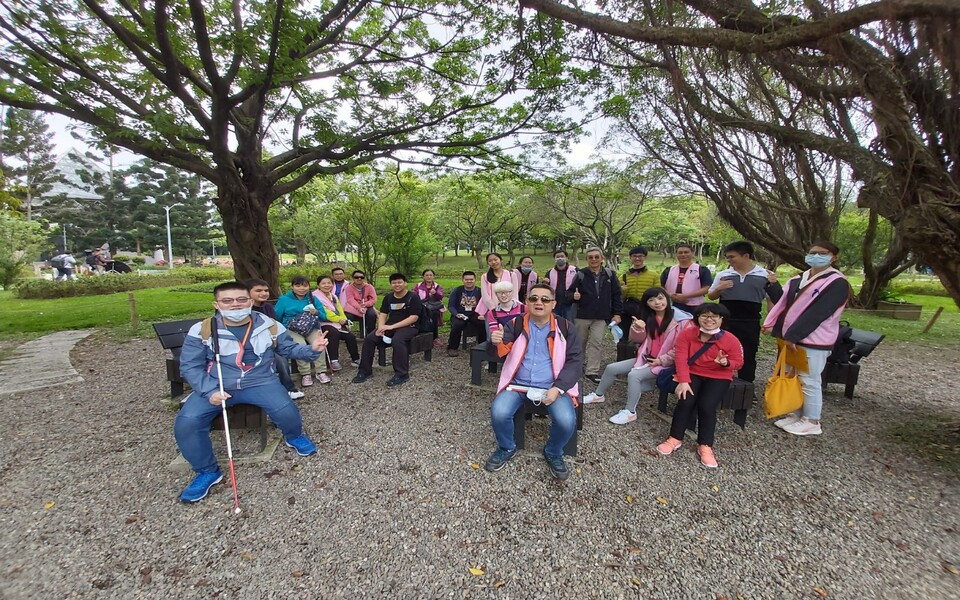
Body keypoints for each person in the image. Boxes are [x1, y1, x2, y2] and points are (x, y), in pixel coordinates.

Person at [175, 281, 328, 502]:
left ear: (250, 301)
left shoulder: (269, 324)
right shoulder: (203, 329)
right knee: (187, 422)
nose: (235, 305)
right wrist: (209, 391)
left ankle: (294, 436)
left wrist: (311, 350)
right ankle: (207, 471)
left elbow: (288, 348)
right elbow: (190, 365)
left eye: (241, 299)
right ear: (216, 304)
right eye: (227, 301)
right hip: (217, 384)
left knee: (286, 411)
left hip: (260, 381)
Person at [484, 283, 583, 480]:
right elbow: (498, 354)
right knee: (499, 412)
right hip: (517, 383)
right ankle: (506, 447)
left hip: (552, 385)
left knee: (566, 421)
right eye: (533, 298)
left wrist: (559, 387)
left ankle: (553, 452)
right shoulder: (516, 324)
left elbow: (576, 361)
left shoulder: (566, 328)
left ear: (554, 304)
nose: (539, 302)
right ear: (526, 302)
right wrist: (495, 342)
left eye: (545, 299)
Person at [762, 241, 850, 437]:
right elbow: (784, 302)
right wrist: (773, 284)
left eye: (822, 253)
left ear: (834, 257)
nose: (815, 256)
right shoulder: (800, 278)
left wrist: (794, 336)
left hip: (813, 340)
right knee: (794, 376)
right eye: (812, 253)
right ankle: (797, 413)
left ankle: (811, 420)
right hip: (792, 337)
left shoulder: (837, 282)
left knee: (809, 380)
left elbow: (818, 313)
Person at [583, 287, 692, 424]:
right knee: (611, 368)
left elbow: (681, 349)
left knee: (634, 376)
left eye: (660, 298)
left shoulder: (682, 322)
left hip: (667, 363)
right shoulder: (650, 317)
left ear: (667, 298)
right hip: (647, 358)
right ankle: (598, 395)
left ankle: (630, 411)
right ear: (647, 304)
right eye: (651, 300)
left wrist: (660, 360)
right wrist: (637, 328)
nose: (657, 303)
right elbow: (637, 340)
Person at [656, 303, 744, 469]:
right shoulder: (688, 334)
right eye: (704, 316)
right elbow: (681, 358)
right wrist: (683, 380)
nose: (709, 319)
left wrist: (726, 362)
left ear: (721, 319)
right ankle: (675, 438)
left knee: (706, 406)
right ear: (697, 318)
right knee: (685, 401)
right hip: (693, 372)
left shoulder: (730, 339)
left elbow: (739, 363)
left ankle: (705, 445)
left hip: (719, 375)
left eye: (713, 316)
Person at [707, 241, 782, 383]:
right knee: (720, 351)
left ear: (746, 256)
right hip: (725, 321)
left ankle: (746, 386)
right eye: (727, 257)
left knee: (748, 353)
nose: (729, 260)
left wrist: (769, 322)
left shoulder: (765, 275)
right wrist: (720, 288)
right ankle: (719, 383)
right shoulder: (724, 274)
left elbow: (772, 300)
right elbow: (711, 296)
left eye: (732, 257)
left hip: (750, 321)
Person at [352, 273, 422, 387]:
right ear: (391, 284)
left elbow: (414, 317)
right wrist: (380, 327)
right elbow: (383, 314)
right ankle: (365, 371)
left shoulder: (412, 297)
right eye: (394, 283)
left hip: (410, 327)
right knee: (370, 338)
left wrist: (391, 327)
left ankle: (401, 373)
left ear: (405, 283)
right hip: (390, 326)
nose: (397, 285)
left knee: (397, 340)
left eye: (399, 282)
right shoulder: (388, 297)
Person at [571, 246, 623, 383]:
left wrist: (617, 313)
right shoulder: (580, 274)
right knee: (579, 342)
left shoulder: (610, 275)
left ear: (601, 259)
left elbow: (616, 295)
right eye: (590, 257)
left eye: (596, 257)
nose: (594, 260)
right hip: (582, 315)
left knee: (597, 343)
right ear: (587, 259)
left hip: (601, 316)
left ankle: (592, 371)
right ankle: (576, 367)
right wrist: (573, 296)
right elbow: (569, 293)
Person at [245, 278, 303, 400]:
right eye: (258, 290)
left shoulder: (268, 307)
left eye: (266, 290)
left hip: (270, 341)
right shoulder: (242, 309)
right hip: (248, 345)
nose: (264, 293)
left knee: (281, 357)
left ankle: (289, 388)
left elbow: (273, 325)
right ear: (247, 292)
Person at [274, 275, 330, 386]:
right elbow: (277, 316)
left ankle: (321, 371)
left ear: (309, 287)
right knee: (300, 345)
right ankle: (306, 373)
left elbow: (324, 316)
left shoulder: (313, 298)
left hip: (310, 327)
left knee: (320, 343)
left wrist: (317, 313)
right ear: (292, 287)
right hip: (292, 328)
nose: (301, 288)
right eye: (298, 285)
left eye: (305, 286)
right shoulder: (284, 300)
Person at [313, 275, 361, 372]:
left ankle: (355, 359)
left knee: (350, 336)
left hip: (336, 323)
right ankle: (333, 360)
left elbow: (340, 310)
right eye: (323, 283)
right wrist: (339, 320)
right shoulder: (315, 296)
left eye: (329, 283)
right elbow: (325, 312)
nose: (327, 285)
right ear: (318, 285)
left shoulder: (333, 296)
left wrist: (345, 321)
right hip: (322, 323)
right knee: (334, 333)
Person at [660, 243, 713, 314]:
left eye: (686, 252)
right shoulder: (669, 270)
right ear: (676, 254)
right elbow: (661, 286)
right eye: (680, 253)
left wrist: (685, 296)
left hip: (695, 305)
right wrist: (671, 295)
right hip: (672, 303)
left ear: (692, 253)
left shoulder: (701, 269)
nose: (683, 254)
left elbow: (706, 288)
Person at [446, 271, 485, 357]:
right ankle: (452, 347)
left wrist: (482, 314)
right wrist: (456, 314)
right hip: (460, 313)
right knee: (457, 325)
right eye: (466, 279)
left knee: (482, 324)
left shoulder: (480, 291)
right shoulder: (457, 290)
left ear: (475, 280)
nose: (469, 281)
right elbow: (451, 306)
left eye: (471, 279)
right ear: (463, 280)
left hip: (475, 313)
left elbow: (484, 305)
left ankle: (483, 346)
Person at [620, 246, 660, 322]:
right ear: (630, 257)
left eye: (640, 256)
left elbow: (658, 294)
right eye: (634, 256)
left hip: (648, 310)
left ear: (645, 257)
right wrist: (621, 291)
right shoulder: (623, 276)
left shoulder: (654, 275)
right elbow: (619, 297)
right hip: (629, 311)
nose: (637, 258)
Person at [478, 252, 519, 318]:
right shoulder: (485, 277)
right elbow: (485, 295)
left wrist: (510, 307)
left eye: (495, 259)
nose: (493, 262)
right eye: (490, 261)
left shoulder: (511, 275)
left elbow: (514, 294)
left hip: (509, 310)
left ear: (501, 260)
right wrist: (494, 309)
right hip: (491, 310)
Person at [413, 269, 446, 348]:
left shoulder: (437, 286)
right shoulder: (418, 286)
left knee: (434, 315)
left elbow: (440, 296)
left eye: (431, 275)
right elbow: (414, 296)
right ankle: (422, 336)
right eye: (427, 275)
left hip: (433, 307)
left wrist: (435, 293)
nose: (429, 277)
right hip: (421, 306)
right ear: (423, 277)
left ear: (433, 276)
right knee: (420, 316)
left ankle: (434, 337)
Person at [341, 270, 378, 335]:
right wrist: (359, 307)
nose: (359, 278)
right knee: (347, 316)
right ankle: (347, 335)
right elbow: (350, 300)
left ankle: (371, 334)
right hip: (353, 307)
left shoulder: (369, 287)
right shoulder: (349, 288)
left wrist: (365, 304)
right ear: (353, 278)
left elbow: (373, 299)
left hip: (367, 306)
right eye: (356, 277)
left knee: (371, 315)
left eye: (361, 277)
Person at [547, 249, 578, 321]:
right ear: (554, 259)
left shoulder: (575, 270)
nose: (560, 258)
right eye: (557, 257)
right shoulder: (550, 272)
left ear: (566, 258)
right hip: (555, 303)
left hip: (570, 303)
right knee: (555, 323)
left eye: (562, 256)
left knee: (570, 324)